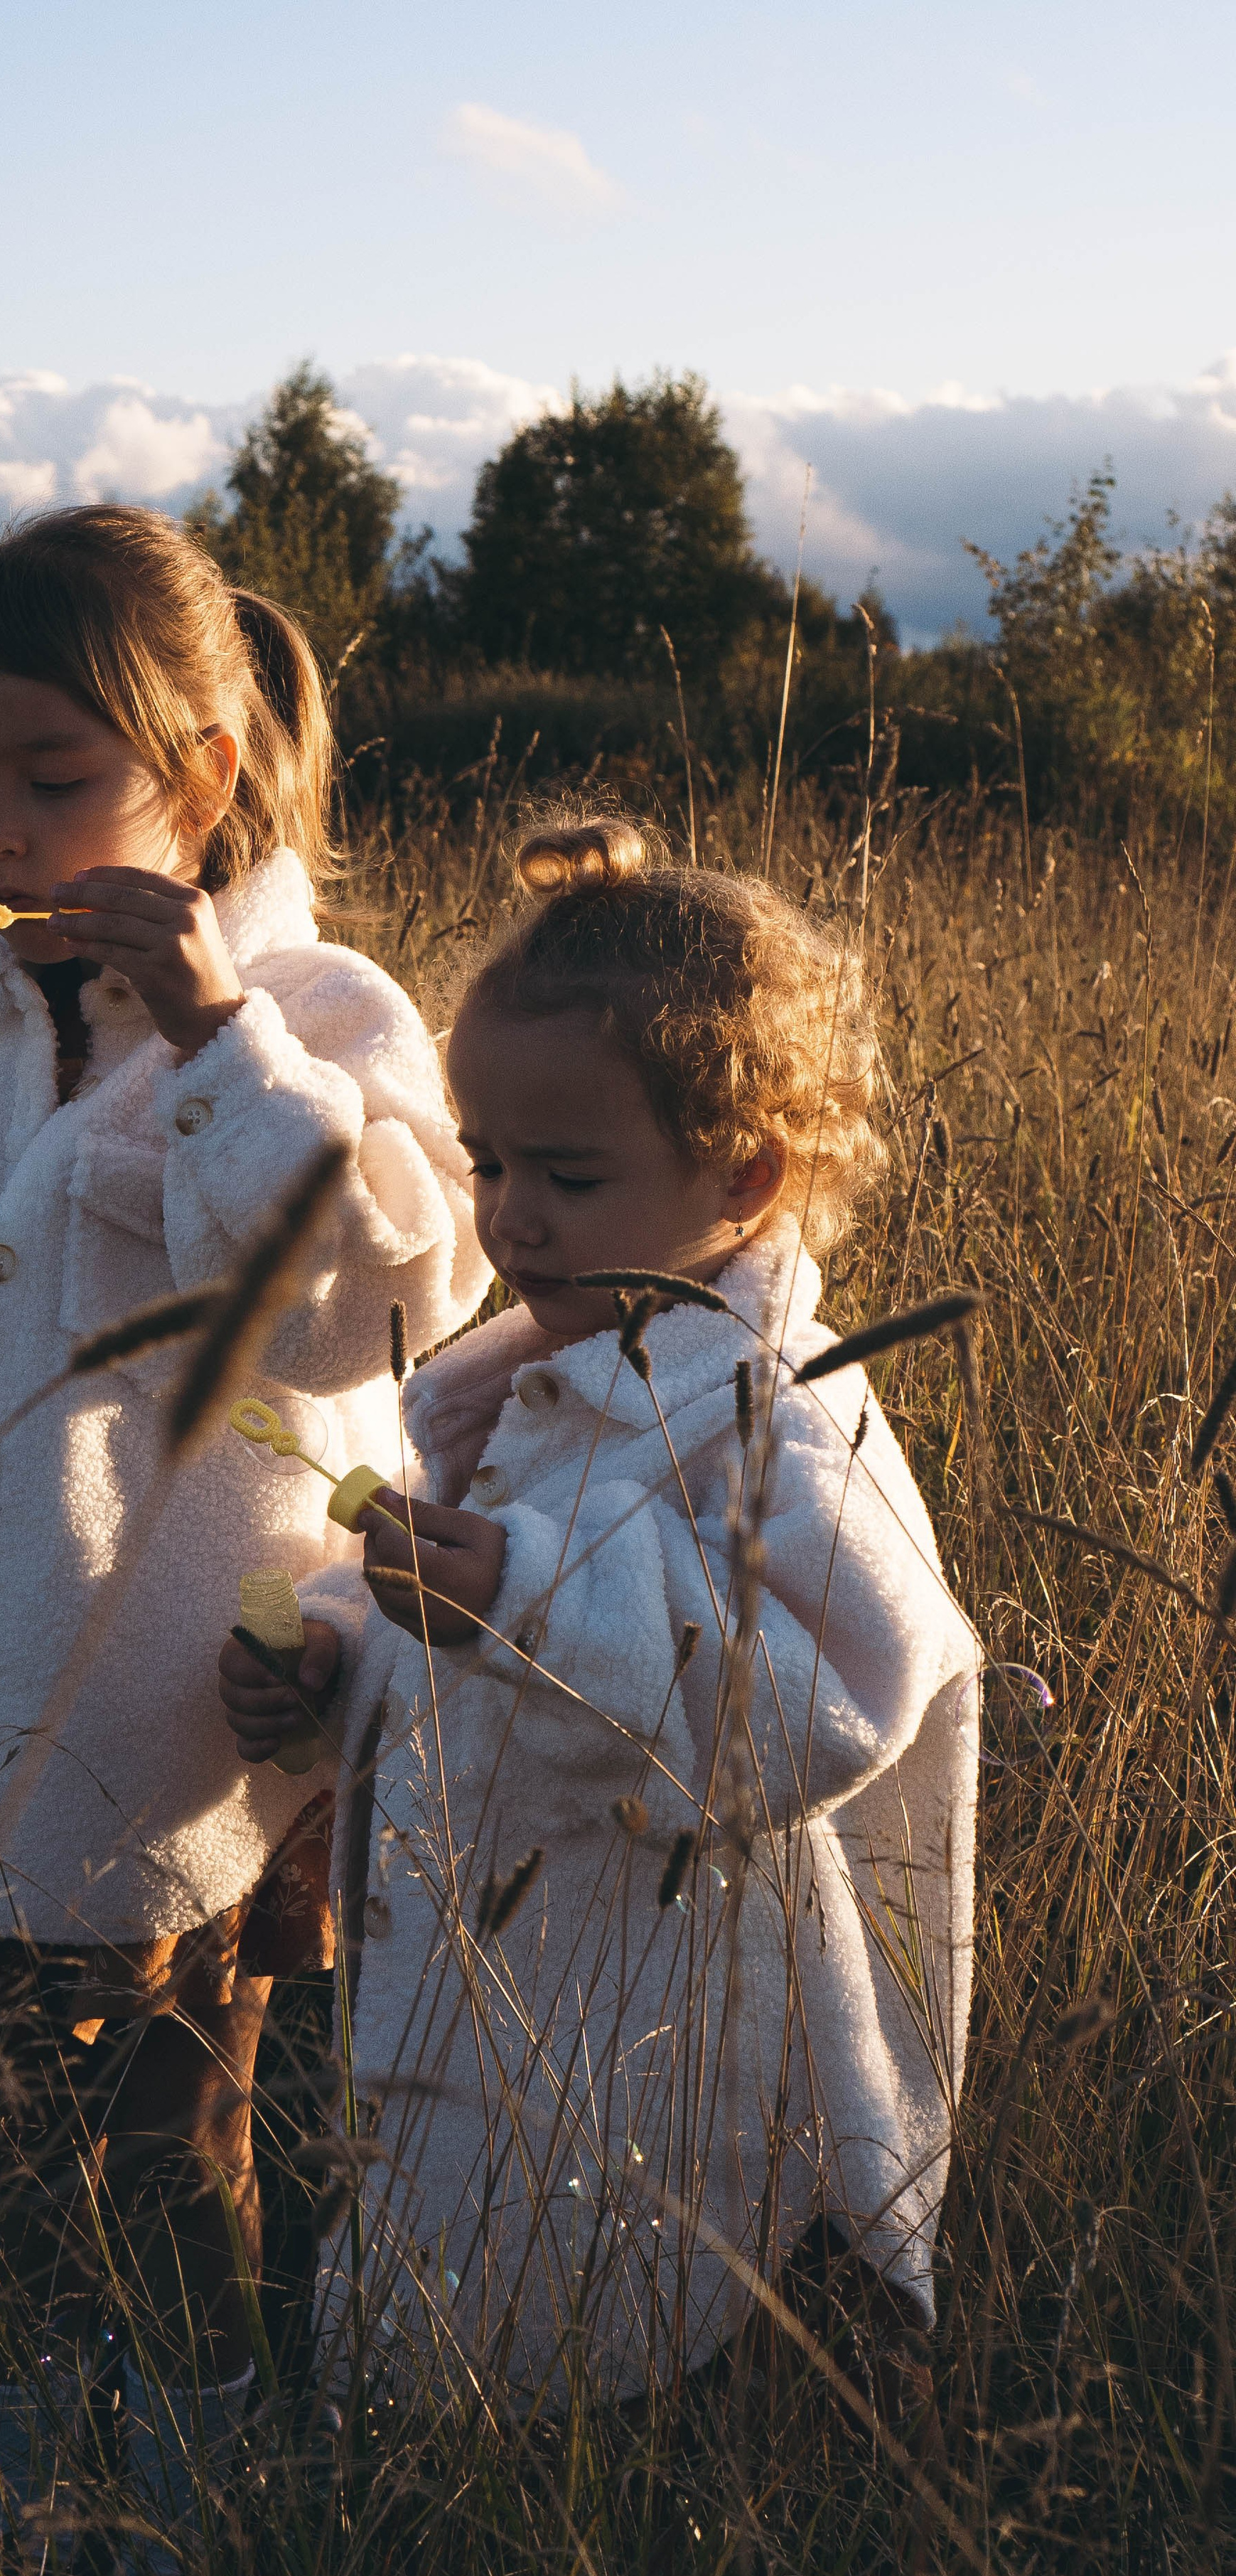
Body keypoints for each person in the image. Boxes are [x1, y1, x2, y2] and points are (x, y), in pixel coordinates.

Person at [0, 505, 486, 2562]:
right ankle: (30, 2494)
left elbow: (389, 1294)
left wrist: (228, 1038)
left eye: (56, 782)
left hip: (192, 1699)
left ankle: (201, 2502)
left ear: (204, 775)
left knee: (172, 2123)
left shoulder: (328, 1008)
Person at [220, 816, 979, 2415]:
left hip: (676, 2024)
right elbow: (471, 1658)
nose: (510, 1222)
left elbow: (841, 1691)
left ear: (745, 1175)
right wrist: (337, 1660)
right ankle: (420, 2519)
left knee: (636, 2333)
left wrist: (523, 1595)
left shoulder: (777, 1415)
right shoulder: (531, 1393)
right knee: (461, 2297)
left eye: (567, 1177)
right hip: (497, 1987)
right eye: (488, 1166)